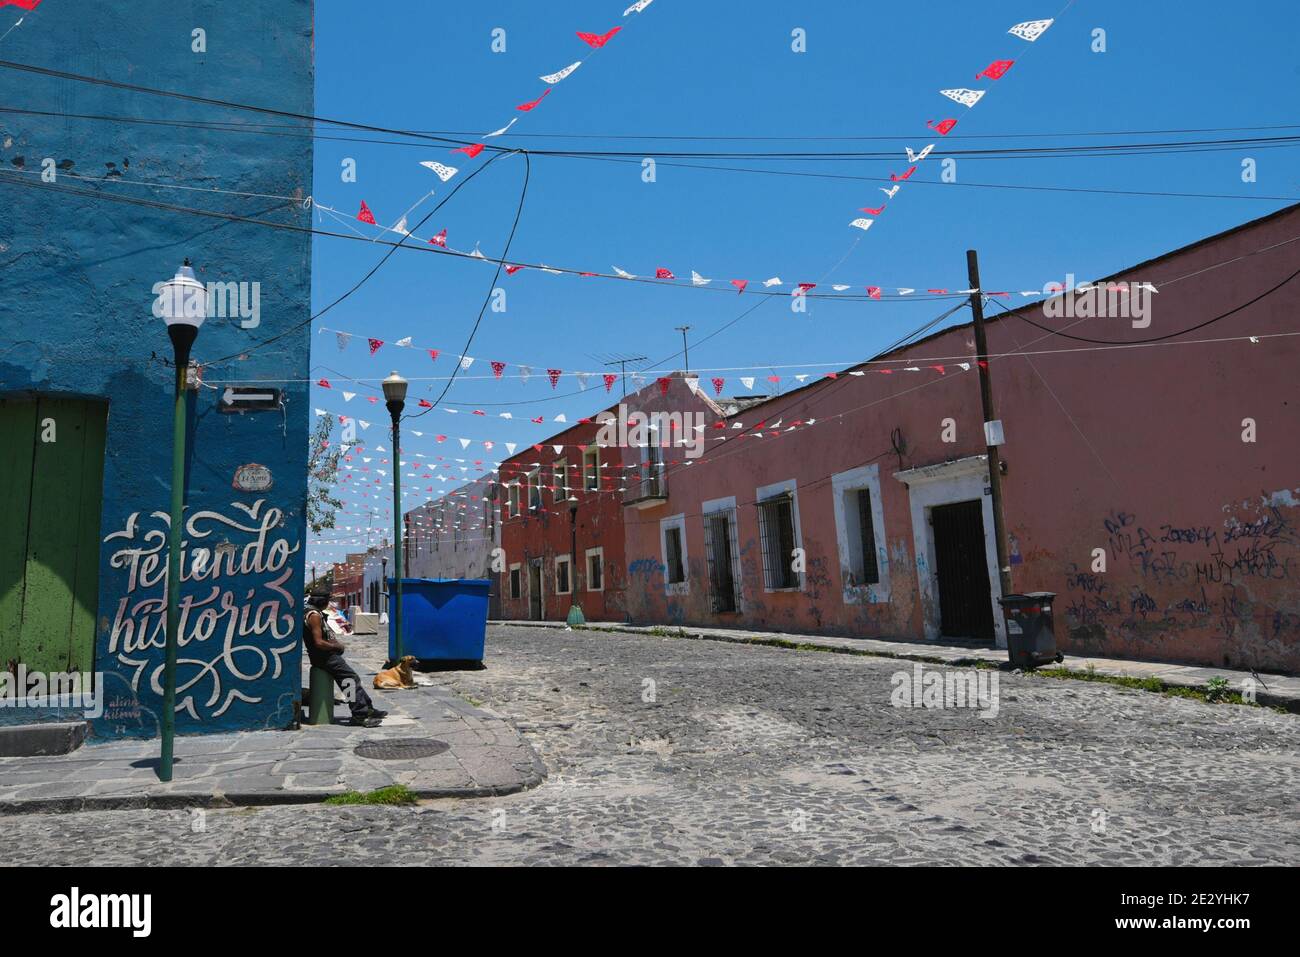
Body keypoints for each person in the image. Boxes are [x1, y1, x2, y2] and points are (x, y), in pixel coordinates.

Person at [303, 587, 387, 727]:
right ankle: (360, 714)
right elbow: (318, 642)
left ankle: (368, 708)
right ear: (322, 601)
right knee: (350, 681)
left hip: (327, 656)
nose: (329, 604)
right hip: (325, 657)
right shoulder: (314, 615)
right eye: (328, 601)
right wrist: (337, 647)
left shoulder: (313, 612)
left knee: (353, 678)